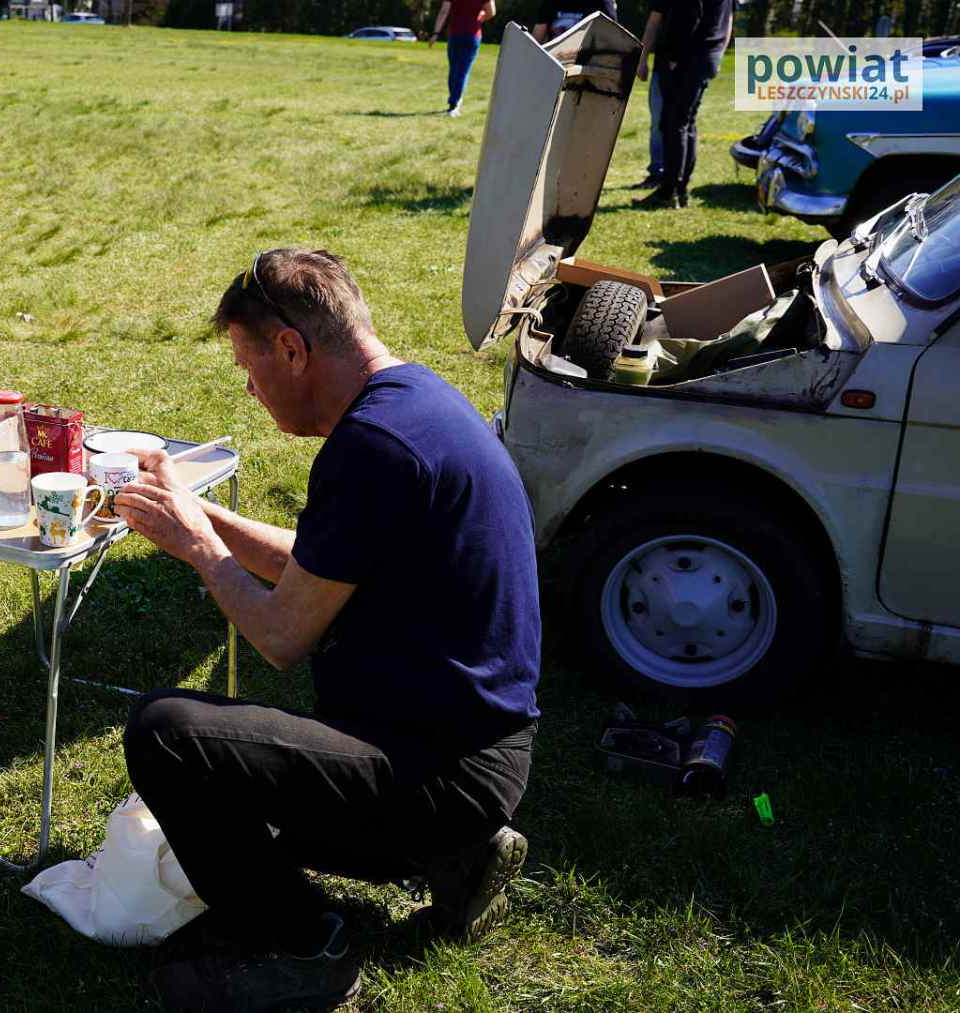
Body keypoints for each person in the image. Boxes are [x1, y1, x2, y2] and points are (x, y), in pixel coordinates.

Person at [116, 249, 540, 1011]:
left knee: (168, 736)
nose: (249, 388)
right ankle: (461, 856)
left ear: (291, 349)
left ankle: (306, 946)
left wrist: (201, 550)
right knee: (255, 814)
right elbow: (318, 565)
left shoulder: (371, 448)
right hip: (477, 747)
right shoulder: (413, 402)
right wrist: (197, 513)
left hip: (442, 769)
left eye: (248, 365)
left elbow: (282, 635)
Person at [634, 0, 734, 208]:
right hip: (707, 56)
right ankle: (680, 189)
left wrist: (673, 55)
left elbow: (688, 14)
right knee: (686, 123)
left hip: (685, 59)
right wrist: (718, 53)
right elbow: (728, 20)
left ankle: (668, 192)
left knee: (674, 124)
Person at [430, 0, 496, 116]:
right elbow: (491, 12)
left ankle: (454, 102)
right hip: (472, 35)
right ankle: (454, 103)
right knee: (462, 71)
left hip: (455, 34)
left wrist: (436, 33)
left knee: (454, 70)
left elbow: (444, 11)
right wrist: (481, 17)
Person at [531, 0, 615, 42]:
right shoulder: (550, 3)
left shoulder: (602, 3)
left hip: (588, 62)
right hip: (555, 60)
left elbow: (612, 38)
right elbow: (536, 41)